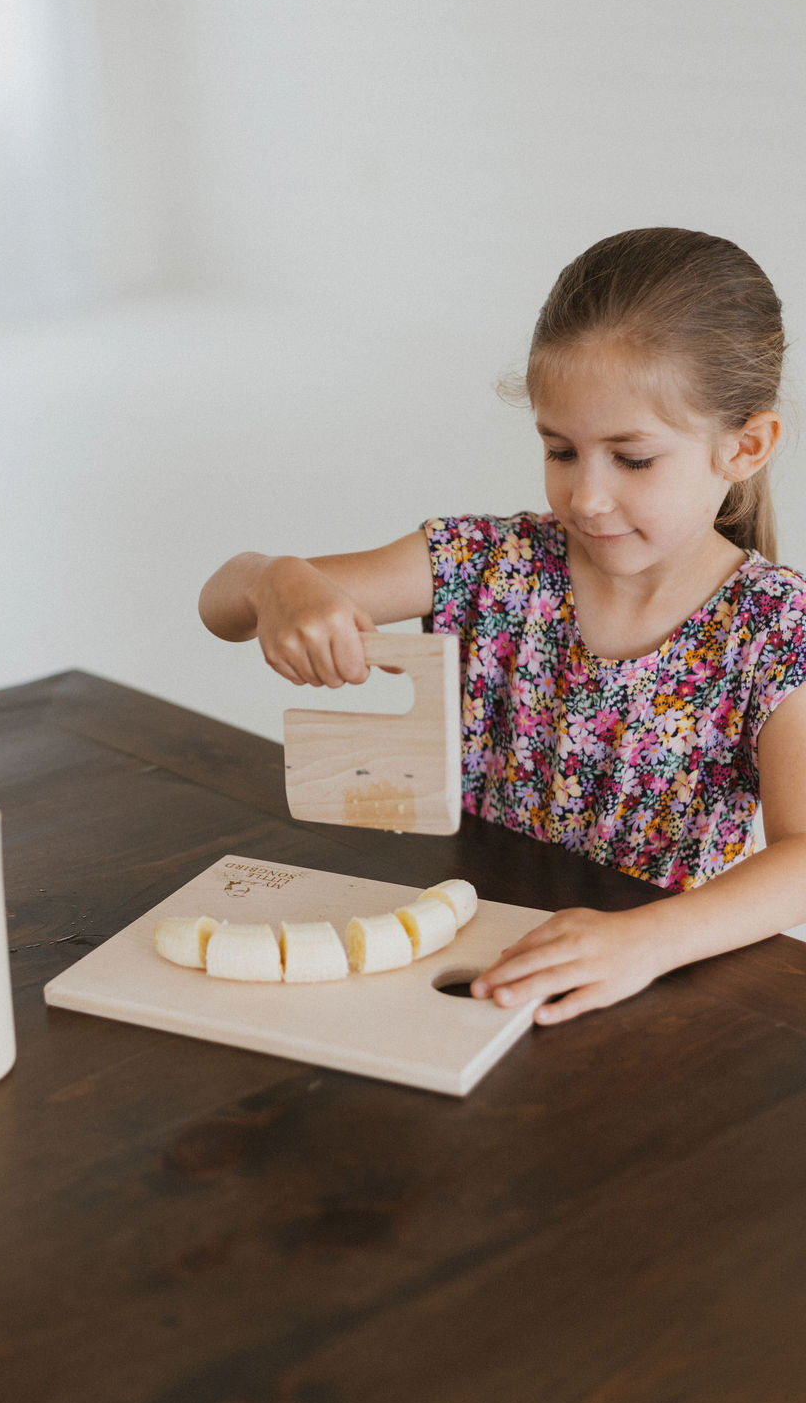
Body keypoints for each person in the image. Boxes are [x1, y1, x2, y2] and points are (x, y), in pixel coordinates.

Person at [199, 228, 806, 1025]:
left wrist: (642, 941)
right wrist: (277, 580)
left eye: (631, 458)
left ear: (746, 446)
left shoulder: (774, 626)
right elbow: (224, 608)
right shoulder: (491, 560)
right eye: (561, 450)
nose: (586, 496)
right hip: (467, 961)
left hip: (652, 993)